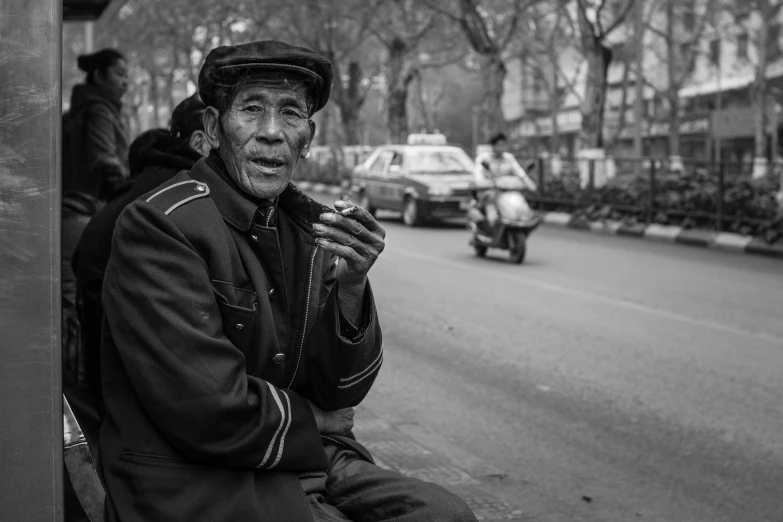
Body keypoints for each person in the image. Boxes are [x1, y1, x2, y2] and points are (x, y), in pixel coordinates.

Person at [99, 40, 477, 522]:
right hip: (196, 474)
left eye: (290, 113)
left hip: (299, 458)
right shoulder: (161, 226)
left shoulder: (308, 229)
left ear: (308, 136)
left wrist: (352, 285)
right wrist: (315, 420)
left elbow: (342, 392)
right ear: (215, 128)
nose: (272, 133)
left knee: (445, 514)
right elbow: (207, 408)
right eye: (252, 110)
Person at [71, 93, 211, 422]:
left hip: (116, 412)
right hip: (156, 432)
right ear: (202, 141)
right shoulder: (182, 211)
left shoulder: (139, 194)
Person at [61, 48, 130, 382]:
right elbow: (105, 160)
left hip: (71, 214)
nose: (126, 82)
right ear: (100, 76)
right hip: (84, 216)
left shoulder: (80, 108)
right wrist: (129, 195)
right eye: (119, 74)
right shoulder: (99, 110)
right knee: (78, 310)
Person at [470, 133, 537, 237]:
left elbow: (520, 173)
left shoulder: (508, 158)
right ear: (493, 146)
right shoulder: (484, 159)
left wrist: (529, 184)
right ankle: (491, 225)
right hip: (488, 190)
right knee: (490, 199)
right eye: (499, 145)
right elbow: (478, 177)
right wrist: (486, 183)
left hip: (506, 191)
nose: (501, 148)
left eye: (503, 145)